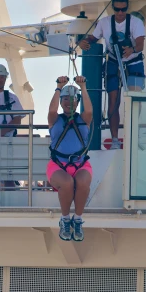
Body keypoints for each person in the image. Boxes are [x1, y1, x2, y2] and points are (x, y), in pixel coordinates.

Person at [78, 0, 146, 150]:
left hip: (134, 63)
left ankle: (133, 136)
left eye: (123, 9)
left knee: (135, 100)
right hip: (114, 62)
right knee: (113, 101)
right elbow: (93, 39)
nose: (120, 13)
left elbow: (140, 44)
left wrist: (132, 49)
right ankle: (115, 139)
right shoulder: (104, 23)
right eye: (117, 9)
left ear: (127, 8)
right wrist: (83, 42)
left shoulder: (136, 22)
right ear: (113, 8)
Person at [47, 75, 93, 242]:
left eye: (73, 99)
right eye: (65, 99)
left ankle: (78, 219)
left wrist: (84, 88)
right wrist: (59, 87)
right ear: (60, 102)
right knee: (67, 183)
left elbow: (89, 110)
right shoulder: (55, 119)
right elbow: (51, 110)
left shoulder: (84, 119)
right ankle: (65, 219)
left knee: (83, 184)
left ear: (77, 101)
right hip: (58, 165)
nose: (69, 102)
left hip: (80, 164)